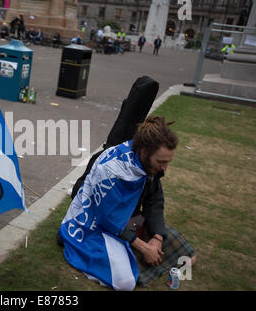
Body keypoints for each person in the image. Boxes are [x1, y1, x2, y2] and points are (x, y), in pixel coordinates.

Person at [58, 115, 197, 289]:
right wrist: (144, 248)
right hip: (92, 226)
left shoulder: (147, 165)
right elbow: (106, 220)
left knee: (188, 258)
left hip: (127, 221)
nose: (165, 168)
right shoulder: (110, 170)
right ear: (144, 152)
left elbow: (154, 201)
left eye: (167, 162)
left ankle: (131, 256)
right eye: (161, 162)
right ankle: (130, 258)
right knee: (125, 283)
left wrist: (157, 237)